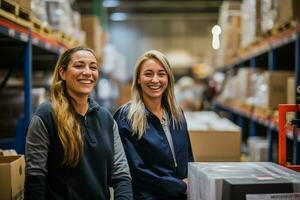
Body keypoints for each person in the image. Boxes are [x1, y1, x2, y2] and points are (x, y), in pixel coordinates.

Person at [25, 46, 133, 200]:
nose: (87, 72)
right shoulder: (46, 116)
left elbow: (121, 174)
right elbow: (35, 178)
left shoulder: (106, 119)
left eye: (93, 67)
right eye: (79, 66)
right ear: (62, 73)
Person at [114, 50, 194, 200]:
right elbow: (134, 169)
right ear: (138, 78)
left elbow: (188, 157)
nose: (155, 80)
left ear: (168, 78)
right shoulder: (127, 117)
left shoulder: (177, 114)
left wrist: (192, 183)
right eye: (148, 74)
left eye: (161, 74)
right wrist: (179, 186)